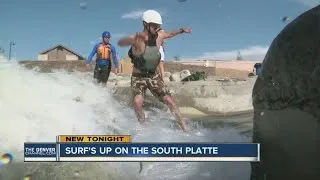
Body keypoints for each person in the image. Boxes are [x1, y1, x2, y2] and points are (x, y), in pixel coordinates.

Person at [117, 10, 191, 132]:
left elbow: (171, 33)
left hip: (152, 76)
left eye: (158, 26)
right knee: (137, 102)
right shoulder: (137, 38)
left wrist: (182, 30)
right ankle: (143, 127)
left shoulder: (160, 35)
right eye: (154, 25)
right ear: (145, 24)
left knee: (169, 100)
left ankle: (185, 128)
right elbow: (124, 45)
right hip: (138, 77)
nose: (157, 28)